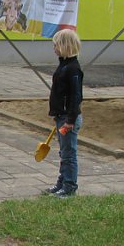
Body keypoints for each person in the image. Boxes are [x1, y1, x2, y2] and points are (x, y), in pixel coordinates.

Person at [44, 29, 84, 198]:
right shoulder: (64, 65)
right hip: (61, 116)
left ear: (64, 46)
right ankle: (62, 181)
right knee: (63, 152)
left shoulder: (73, 69)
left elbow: (76, 96)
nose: (54, 48)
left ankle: (70, 185)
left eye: (56, 45)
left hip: (68, 119)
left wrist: (70, 119)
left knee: (68, 153)